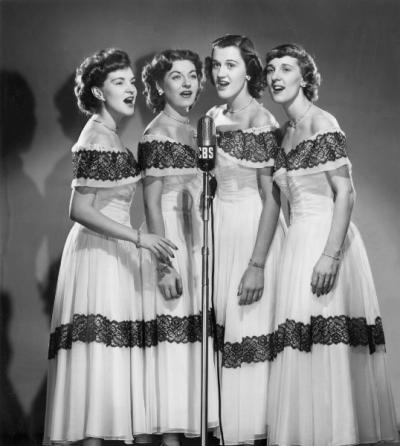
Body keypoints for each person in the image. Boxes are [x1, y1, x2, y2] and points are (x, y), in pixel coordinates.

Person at [264, 43, 399, 446]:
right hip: (297, 242)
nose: (276, 76)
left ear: (304, 77)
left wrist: (330, 255)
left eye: (286, 68)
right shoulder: (285, 134)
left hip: (327, 238)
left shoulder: (322, 123)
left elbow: (346, 193)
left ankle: (338, 436)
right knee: (302, 344)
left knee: (327, 343)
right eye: (271, 69)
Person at [43, 48, 176, 446]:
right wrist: (139, 238)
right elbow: (79, 209)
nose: (130, 89)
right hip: (99, 254)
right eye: (119, 82)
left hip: (115, 251)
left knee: (109, 363)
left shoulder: (109, 134)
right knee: (99, 360)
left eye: (131, 81)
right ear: (99, 92)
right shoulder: (96, 137)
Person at [206, 34, 286, 445]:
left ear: (249, 70)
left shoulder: (261, 120)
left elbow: (272, 198)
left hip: (253, 230)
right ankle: (229, 432)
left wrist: (257, 264)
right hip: (219, 229)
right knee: (224, 330)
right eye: (216, 64)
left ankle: (252, 433)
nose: (220, 73)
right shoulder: (211, 117)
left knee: (250, 328)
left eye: (230, 64)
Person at [138, 49, 219, 446]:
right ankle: (170, 437)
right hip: (170, 240)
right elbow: (152, 203)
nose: (187, 84)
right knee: (171, 339)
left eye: (192, 76)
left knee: (192, 338)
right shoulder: (156, 133)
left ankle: (191, 427)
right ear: (159, 86)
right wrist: (164, 265)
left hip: (195, 236)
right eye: (176, 76)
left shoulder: (195, 128)